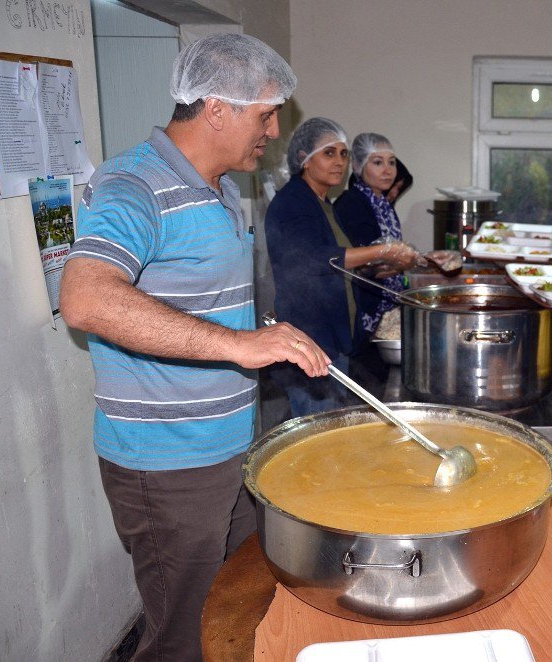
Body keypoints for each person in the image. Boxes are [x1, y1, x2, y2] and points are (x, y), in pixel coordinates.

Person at [58, 34, 331, 661]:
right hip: (167, 466)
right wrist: (238, 343)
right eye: (265, 113)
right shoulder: (134, 185)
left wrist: (267, 332)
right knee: (182, 638)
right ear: (216, 109)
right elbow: (87, 298)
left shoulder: (220, 187)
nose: (273, 129)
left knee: (236, 610)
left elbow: (197, 301)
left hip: (230, 446)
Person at [264, 119, 419, 416]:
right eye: (329, 153)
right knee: (317, 434)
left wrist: (381, 268)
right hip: (311, 338)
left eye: (344, 154)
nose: (339, 162)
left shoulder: (324, 204)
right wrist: (383, 249)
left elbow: (341, 269)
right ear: (303, 159)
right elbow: (314, 259)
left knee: (333, 427)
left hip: (334, 339)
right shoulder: (293, 202)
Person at [334, 132, 409, 334]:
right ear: (358, 166)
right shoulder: (352, 204)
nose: (388, 170)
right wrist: (408, 260)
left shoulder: (383, 204)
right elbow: (364, 265)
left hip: (388, 301)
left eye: (391, 163)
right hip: (366, 308)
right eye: (378, 162)